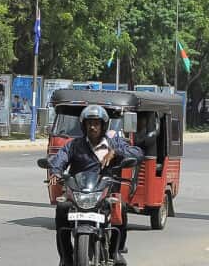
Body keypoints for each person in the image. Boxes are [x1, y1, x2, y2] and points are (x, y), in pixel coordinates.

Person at [47, 105, 142, 266]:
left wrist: (116, 152)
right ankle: (66, 256)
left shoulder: (113, 143)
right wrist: (56, 172)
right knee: (62, 208)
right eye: (89, 123)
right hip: (79, 193)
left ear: (103, 125)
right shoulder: (74, 145)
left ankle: (115, 252)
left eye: (96, 123)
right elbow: (60, 158)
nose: (92, 127)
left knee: (121, 207)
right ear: (83, 125)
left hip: (105, 192)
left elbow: (137, 153)